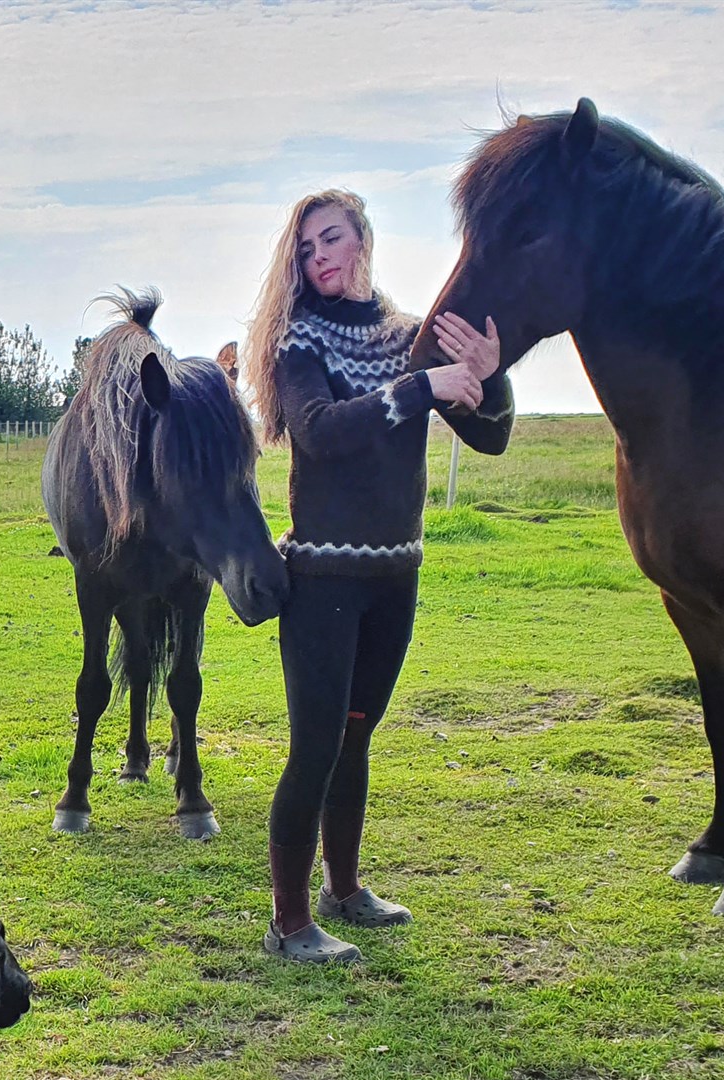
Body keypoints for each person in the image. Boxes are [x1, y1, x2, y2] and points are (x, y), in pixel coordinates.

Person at [240, 189, 513, 963]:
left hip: (397, 576)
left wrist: (489, 378)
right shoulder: (300, 341)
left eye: (331, 238)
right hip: (324, 580)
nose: (319, 255)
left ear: (363, 239)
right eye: (305, 248)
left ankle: (344, 890)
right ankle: (288, 923)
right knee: (316, 747)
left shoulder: (408, 336)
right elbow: (320, 434)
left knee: (357, 740)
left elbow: (488, 437)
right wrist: (421, 387)